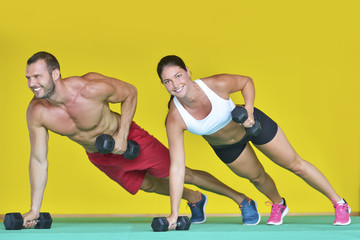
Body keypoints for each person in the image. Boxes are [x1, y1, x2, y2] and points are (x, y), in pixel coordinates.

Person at [22, 51, 260, 228]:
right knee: (146, 185)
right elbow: (38, 160)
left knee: (182, 173)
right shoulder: (37, 112)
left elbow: (130, 92)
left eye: (37, 76)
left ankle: (241, 199)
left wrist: (122, 134)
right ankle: (195, 199)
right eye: (28, 78)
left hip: (129, 139)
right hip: (98, 154)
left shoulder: (90, 88)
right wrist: (34, 210)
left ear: (55, 73)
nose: (33, 84)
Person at [157, 55, 351, 229]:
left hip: (251, 125)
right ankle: (278, 204)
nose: (175, 84)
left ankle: (340, 203)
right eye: (167, 81)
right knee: (257, 178)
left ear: (188, 72)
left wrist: (248, 111)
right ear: (163, 85)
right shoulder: (175, 118)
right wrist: (174, 213)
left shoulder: (216, 84)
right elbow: (177, 168)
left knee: (296, 165)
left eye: (178, 76)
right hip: (228, 147)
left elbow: (246, 82)